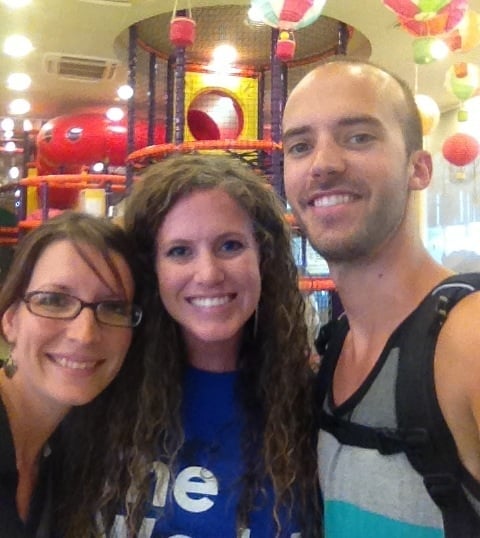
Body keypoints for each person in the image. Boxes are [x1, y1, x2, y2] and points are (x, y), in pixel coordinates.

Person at [60, 153, 321, 538]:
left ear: (262, 258)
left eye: (230, 245)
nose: (208, 274)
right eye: (179, 251)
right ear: (151, 270)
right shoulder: (96, 389)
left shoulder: (314, 402)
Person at [282, 56, 480, 536]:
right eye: (300, 146)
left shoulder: (468, 340)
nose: (323, 164)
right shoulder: (332, 349)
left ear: (419, 169)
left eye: (358, 137)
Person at [0, 211, 142, 538]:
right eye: (54, 300)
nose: (85, 334)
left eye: (113, 307)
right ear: (10, 320)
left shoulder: (65, 459)